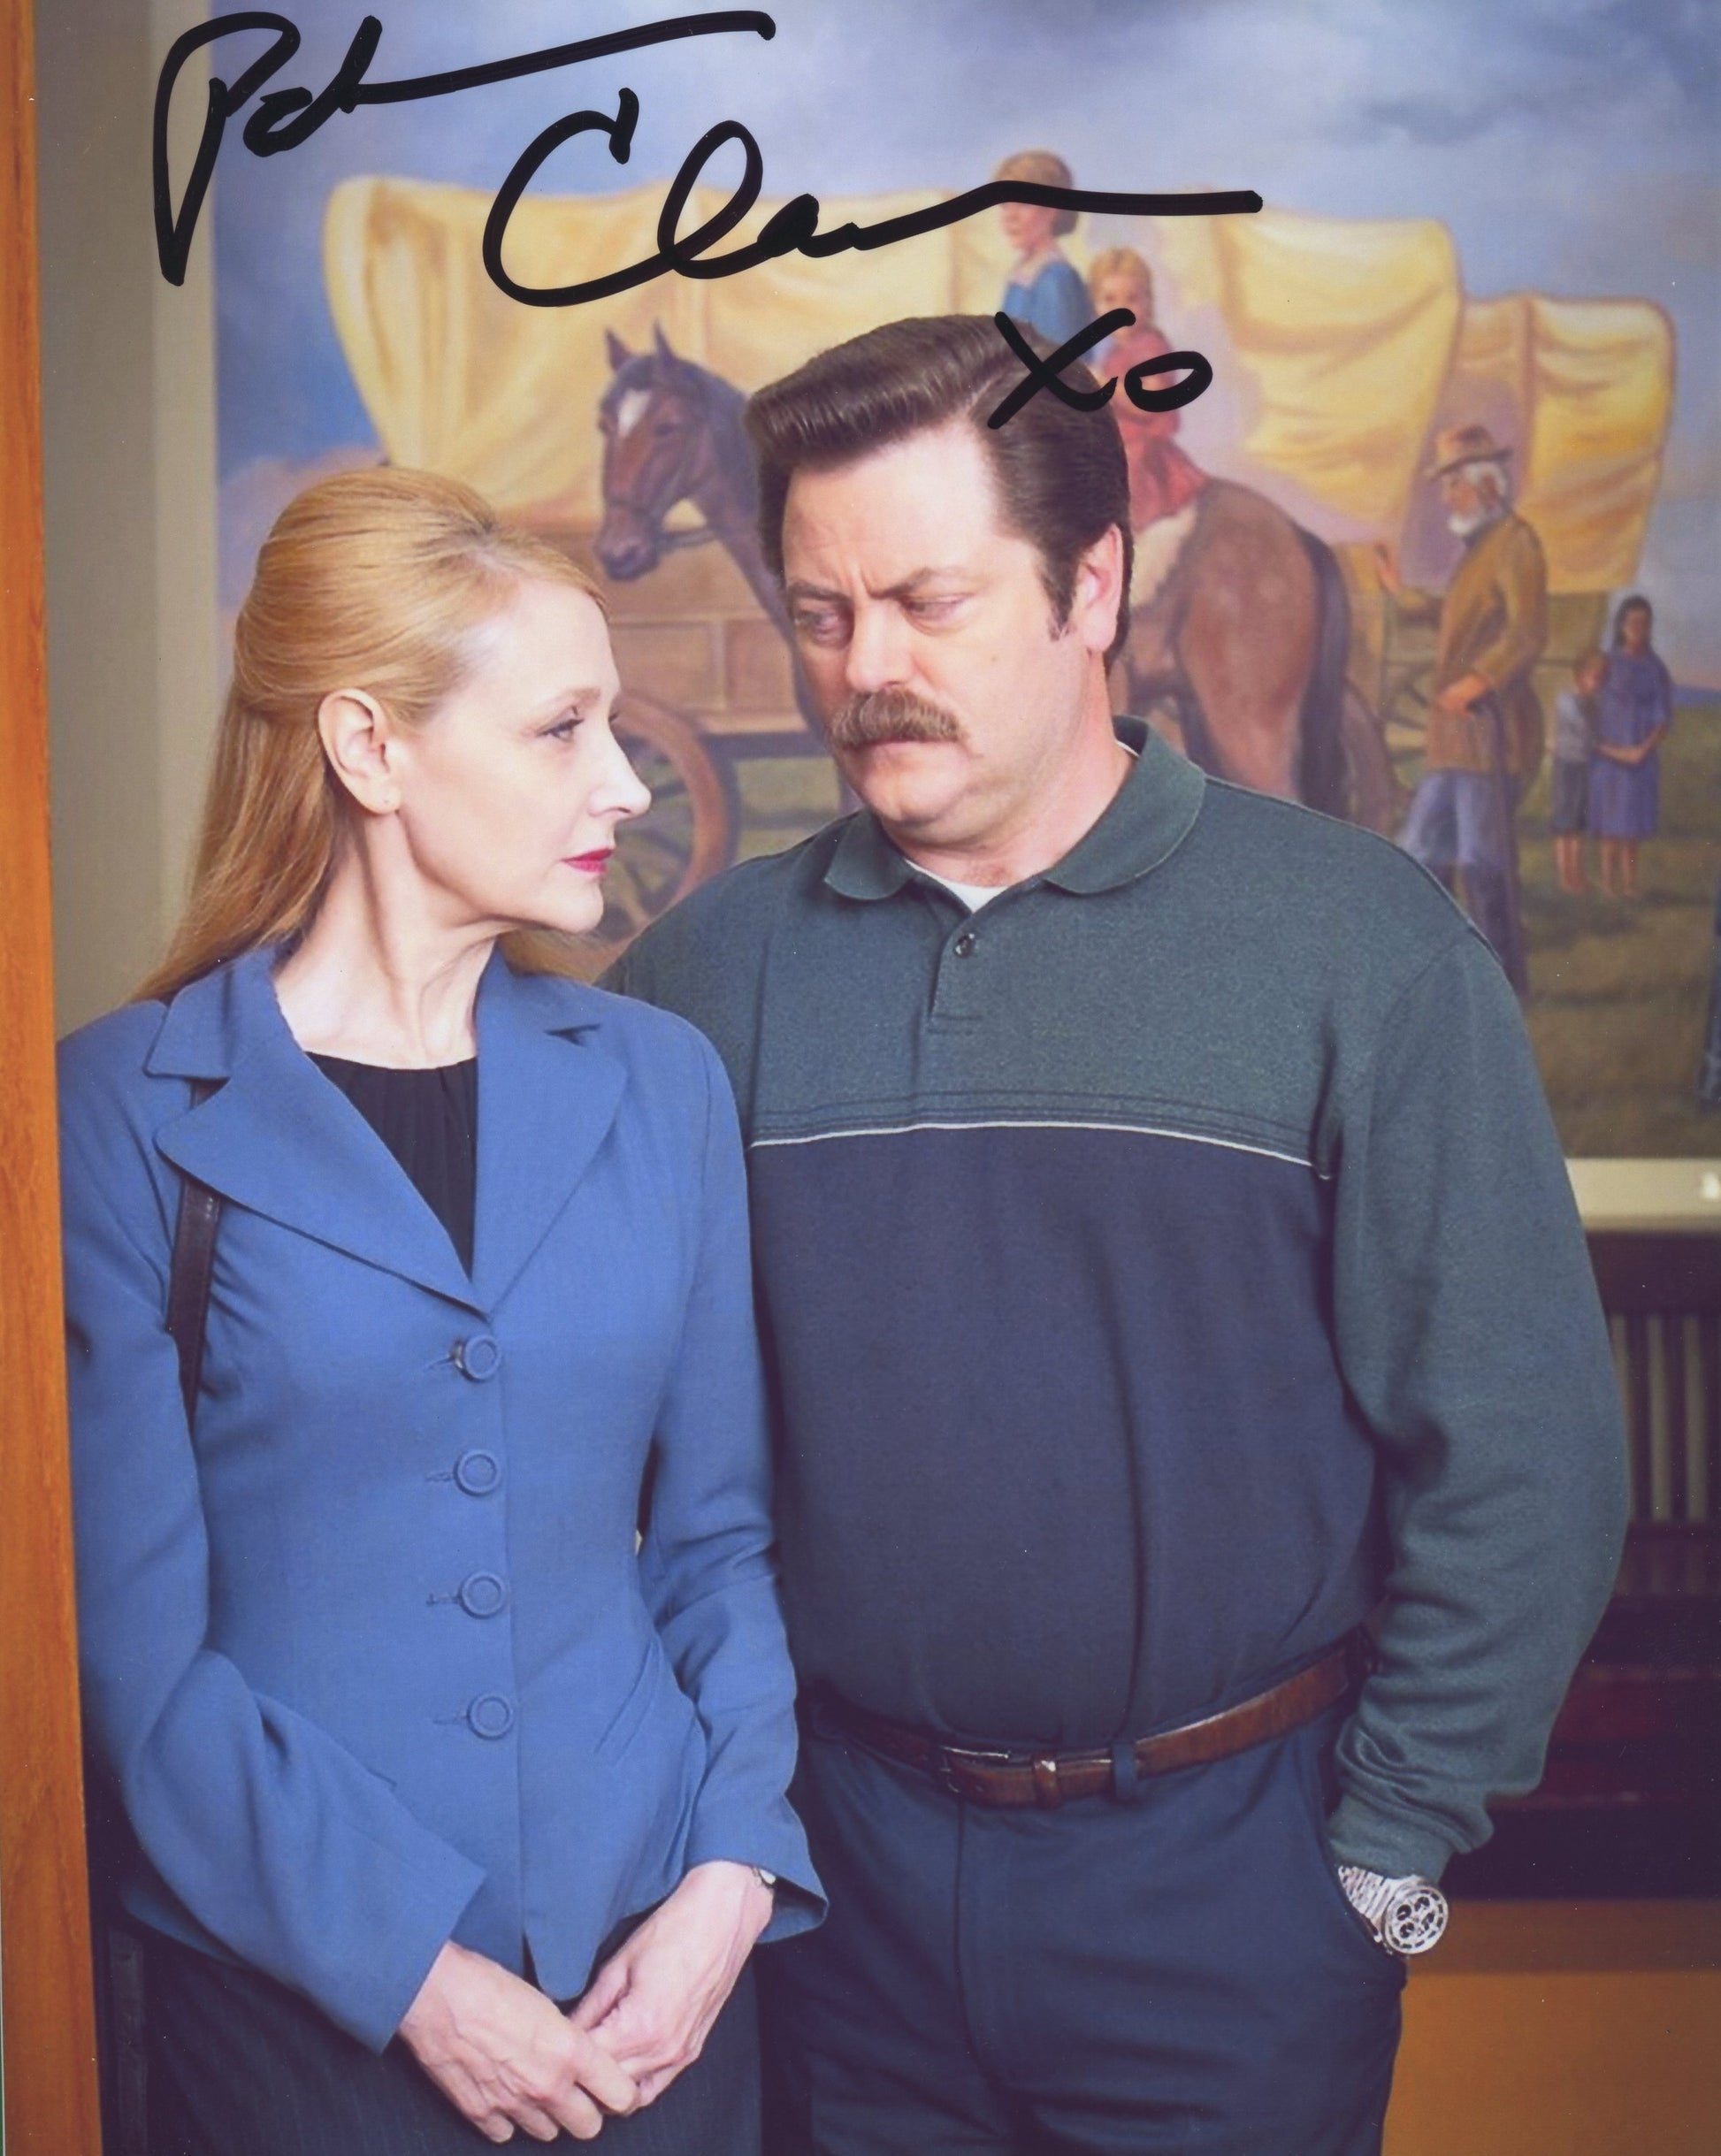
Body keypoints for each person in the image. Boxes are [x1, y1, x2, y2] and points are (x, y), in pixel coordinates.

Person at [607, 317, 1626, 2155]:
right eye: (823, 613)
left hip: (1236, 1892)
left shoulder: (1363, 949)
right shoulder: (697, 978)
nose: (867, 668)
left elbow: (1524, 1454)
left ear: (1095, 585)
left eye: (928, 602)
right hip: (829, 1886)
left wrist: (1385, 1857)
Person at [60, 469, 821, 2156]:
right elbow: (138, 1666)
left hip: (662, 2001)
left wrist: (729, 1879)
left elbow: (717, 1547)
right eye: (561, 727)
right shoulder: (114, 1111)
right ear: (369, 747)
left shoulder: (663, 1083)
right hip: (296, 2024)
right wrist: (414, 1972)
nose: (625, 782)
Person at [1379, 422, 1549, 995]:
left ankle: (1501, 985)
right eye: (1446, 485)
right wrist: (1399, 590)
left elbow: (1527, 634)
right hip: (1451, 740)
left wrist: (1477, 682)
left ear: (1488, 486)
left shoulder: (1517, 543)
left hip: (1488, 734)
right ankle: (1422, 977)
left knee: (1482, 864)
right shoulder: (1479, 552)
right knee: (1419, 856)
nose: (1448, 497)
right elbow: (1452, 616)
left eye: (1455, 484)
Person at [1086, 245, 1207, 532]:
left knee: (1125, 492)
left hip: (1143, 448)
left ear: (1149, 303)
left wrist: (1108, 388)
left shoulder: (1150, 347)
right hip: (1119, 440)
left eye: (1132, 298)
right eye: (1109, 299)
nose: (1121, 309)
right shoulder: (1114, 352)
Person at [1589, 593, 1674, 900]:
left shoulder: (1655, 668)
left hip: (1641, 759)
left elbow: (1663, 717)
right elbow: (1590, 706)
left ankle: (1630, 884)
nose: (1638, 628)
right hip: (1608, 757)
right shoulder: (1606, 663)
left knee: (1632, 828)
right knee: (1610, 826)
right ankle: (1608, 884)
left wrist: (1642, 750)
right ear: (1621, 625)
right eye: (1632, 622)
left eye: (1644, 623)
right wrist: (1606, 748)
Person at [994, 149, 1090, 348]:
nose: (1010, 215)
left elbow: (1055, 357)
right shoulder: (1026, 272)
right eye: (1005, 204)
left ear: (1051, 209)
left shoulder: (1055, 278)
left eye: (1022, 204)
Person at [1551, 647, 1607, 893]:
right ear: (1581, 675)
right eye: (1595, 676)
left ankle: (1577, 873)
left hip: (1585, 765)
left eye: (1602, 677)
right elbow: (1586, 730)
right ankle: (1565, 876)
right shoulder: (1567, 700)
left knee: (1579, 822)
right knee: (1565, 823)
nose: (1599, 682)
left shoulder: (1593, 703)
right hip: (1567, 764)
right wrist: (1603, 745)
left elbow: (1596, 732)